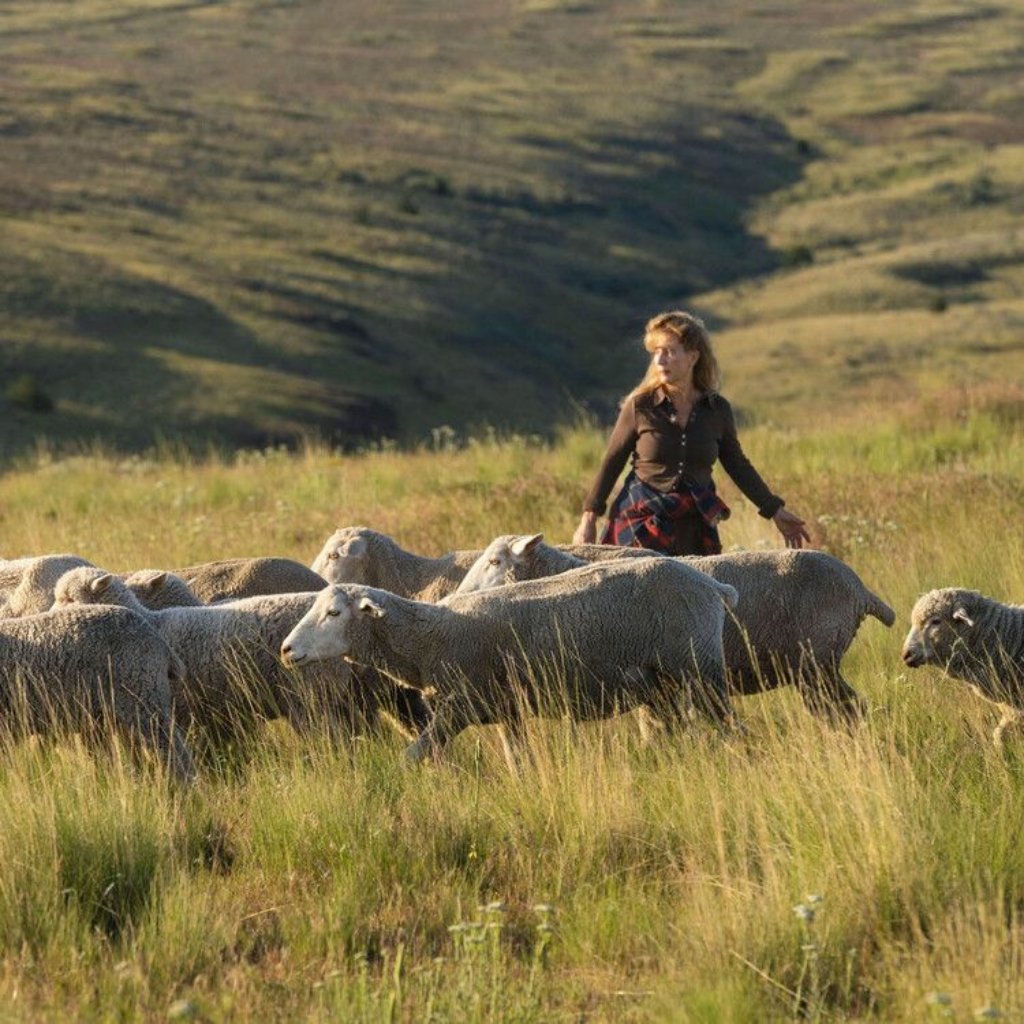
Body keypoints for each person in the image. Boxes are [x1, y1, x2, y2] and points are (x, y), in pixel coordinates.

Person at [572, 310, 809, 555]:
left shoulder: (717, 410)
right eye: (656, 352)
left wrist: (775, 511)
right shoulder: (640, 407)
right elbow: (612, 462)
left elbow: (737, 465)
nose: (660, 361)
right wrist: (587, 521)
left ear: (693, 357)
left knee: (699, 593)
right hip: (640, 523)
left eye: (669, 351)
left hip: (695, 526)